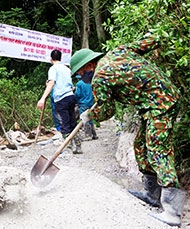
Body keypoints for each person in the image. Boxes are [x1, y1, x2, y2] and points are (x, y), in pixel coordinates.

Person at [70, 33, 185, 227]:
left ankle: (173, 212)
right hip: (158, 102)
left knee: (158, 151)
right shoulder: (117, 51)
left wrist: (89, 115)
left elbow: (107, 110)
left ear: (89, 66)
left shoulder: (100, 78)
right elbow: (150, 41)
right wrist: (155, 40)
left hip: (161, 104)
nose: (82, 78)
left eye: (81, 74)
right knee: (140, 145)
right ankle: (152, 194)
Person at [37, 49, 82, 154]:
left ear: (51, 59)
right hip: (71, 97)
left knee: (64, 123)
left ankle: (68, 148)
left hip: (61, 99)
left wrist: (43, 98)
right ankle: (78, 146)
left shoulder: (53, 68)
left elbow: (52, 82)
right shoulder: (67, 69)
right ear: (61, 58)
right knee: (73, 122)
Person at [74, 73, 98, 140]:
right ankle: (94, 134)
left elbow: (77, 94)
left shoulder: (79, 84)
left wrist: (74, 99)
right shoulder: (90, 83)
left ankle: (88, 135)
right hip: (90, 103)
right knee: (90, 117)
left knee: (84, 119)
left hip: (82, 103)